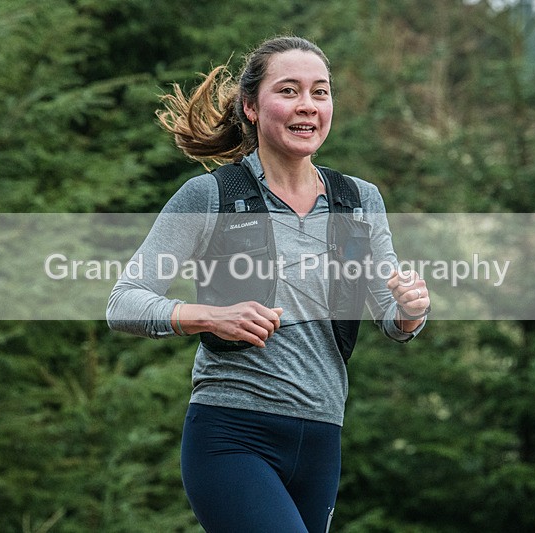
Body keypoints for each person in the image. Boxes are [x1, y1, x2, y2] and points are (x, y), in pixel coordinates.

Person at [107, 35, 430, 533]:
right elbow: (123, 302)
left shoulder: (358, 200)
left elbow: (392, 317)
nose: (308, 105)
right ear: (251, 107)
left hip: (321, 437)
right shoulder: (210, 196)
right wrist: (210, 317)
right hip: (231, 435)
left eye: (320, 92)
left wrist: (410, 309)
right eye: (289, 90)